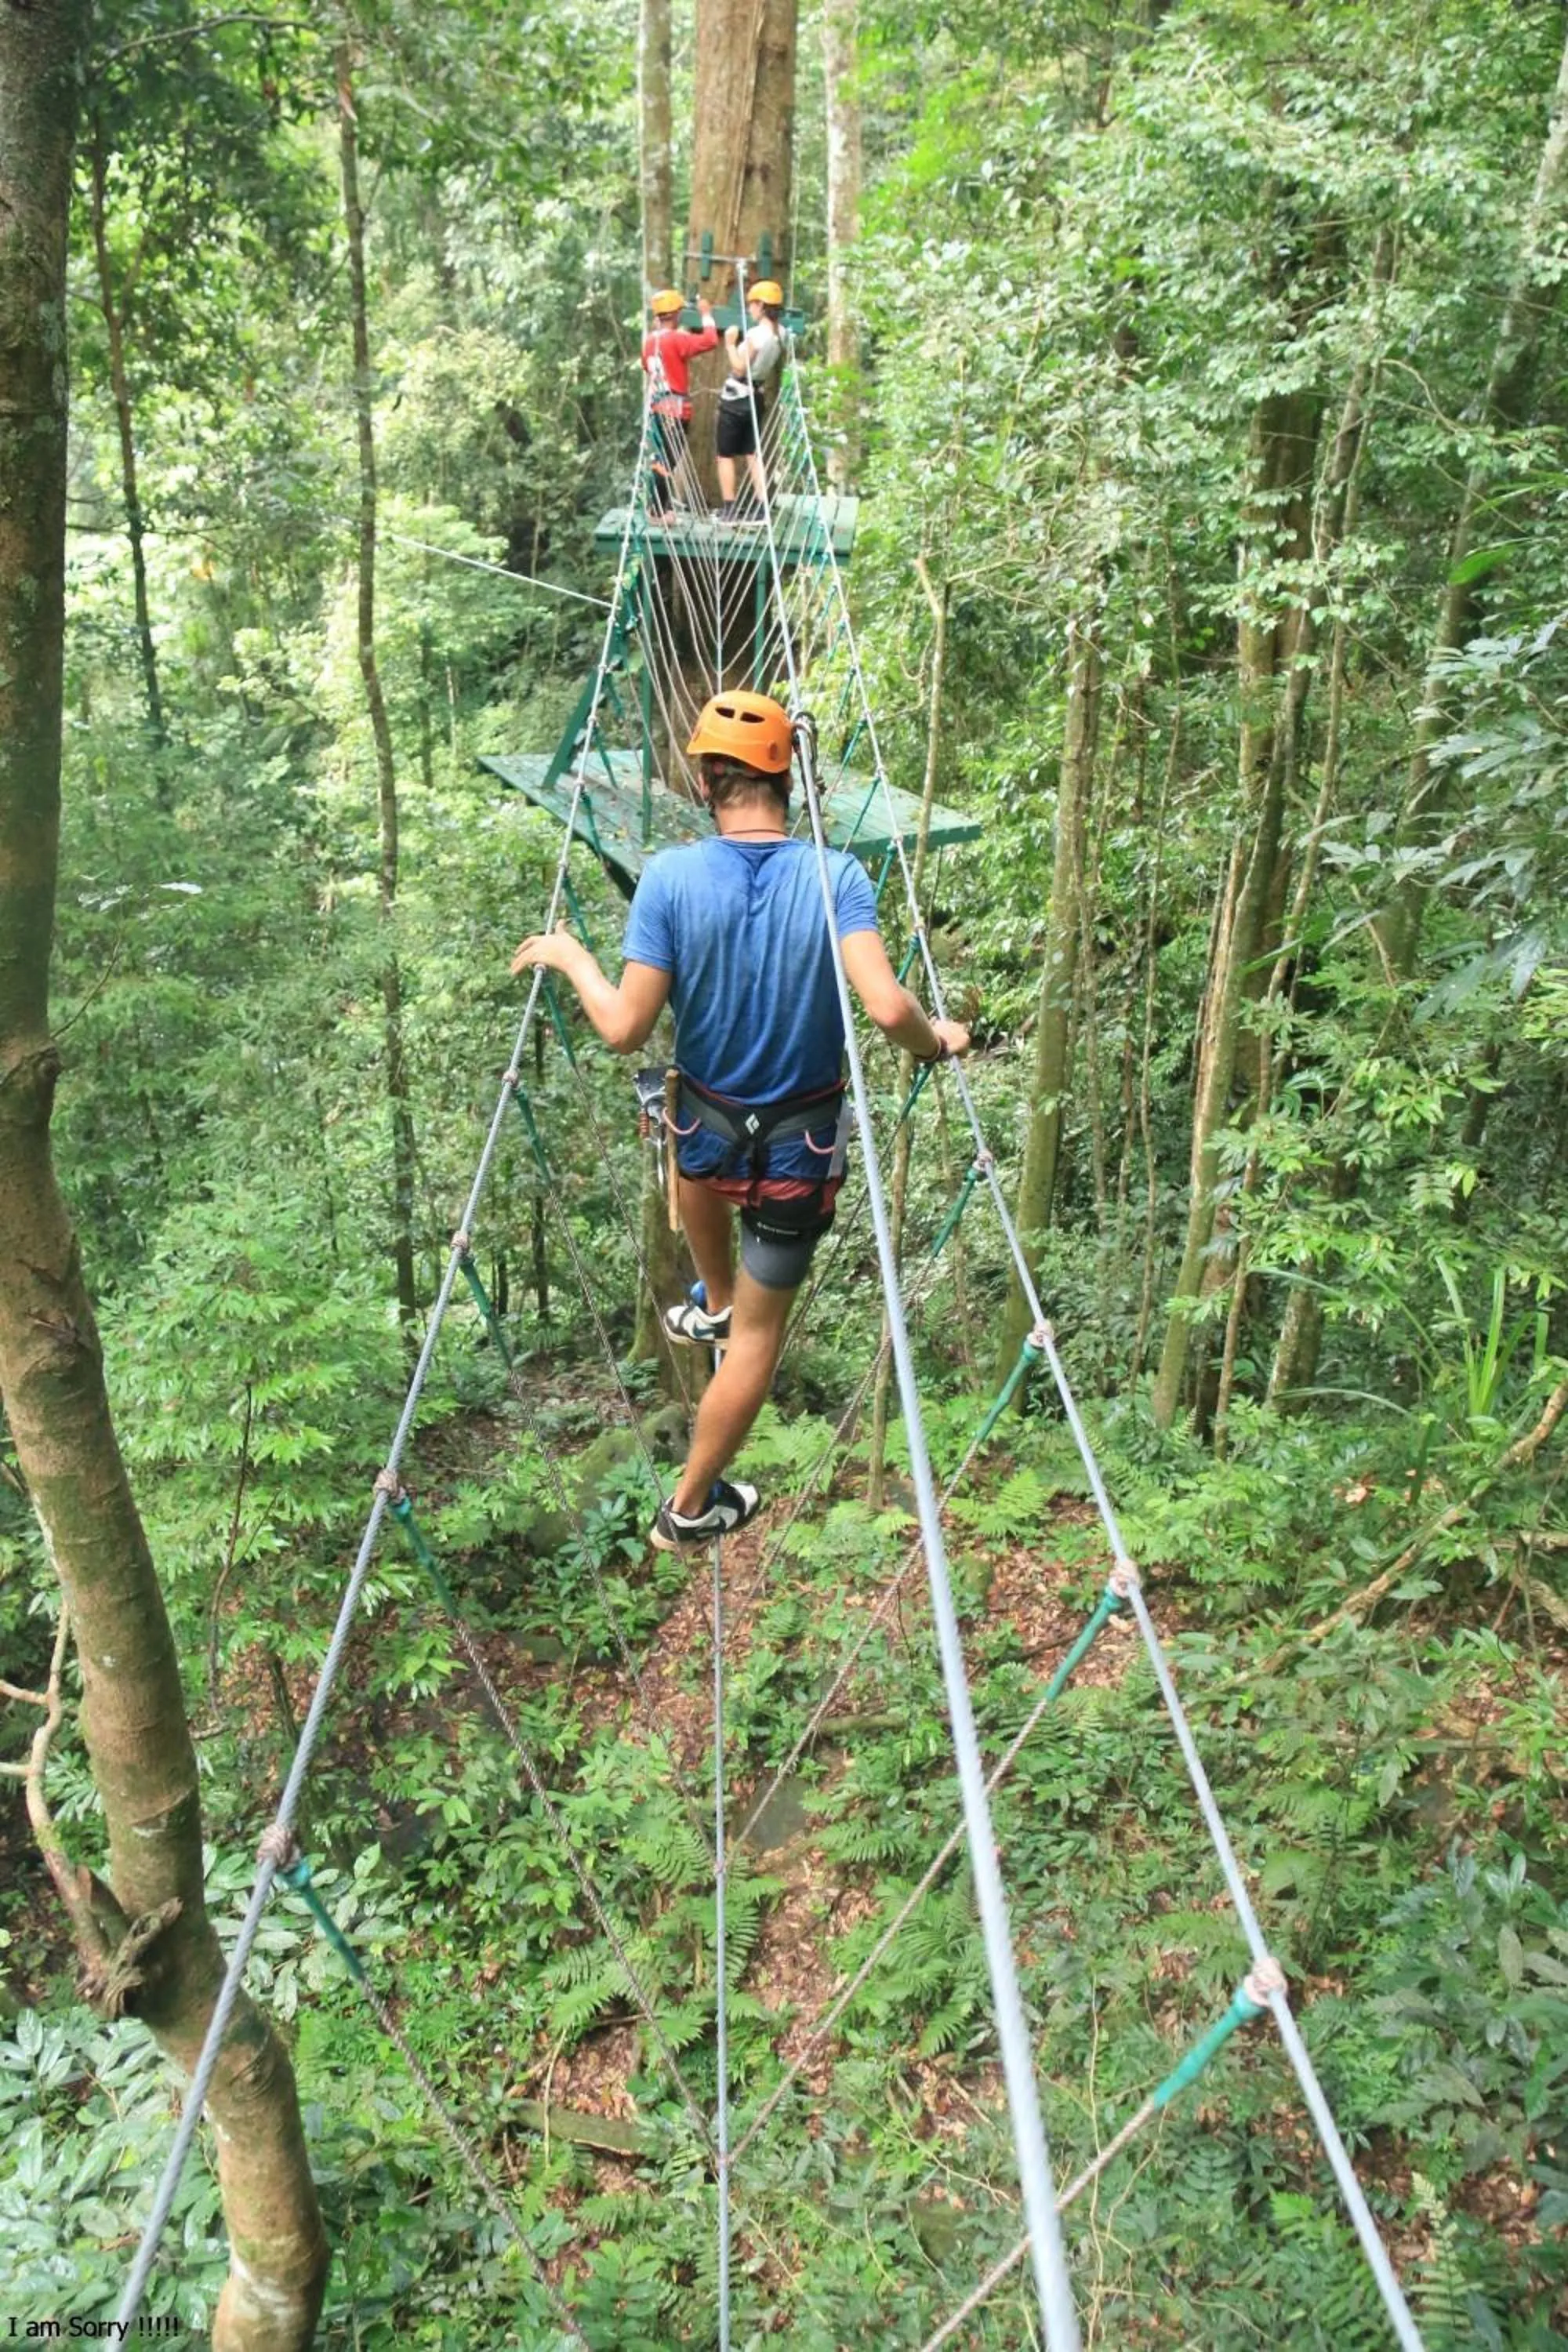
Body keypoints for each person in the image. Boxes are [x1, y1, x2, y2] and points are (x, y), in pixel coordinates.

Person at [511, 690, 971, 1552]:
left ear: (702, 779)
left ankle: (713, 1301)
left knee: (685, 1135)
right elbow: (882, 1005)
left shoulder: (669, 879)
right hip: (801, 1151)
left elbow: (624, 1031)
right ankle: (689, 1507)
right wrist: (935, 1042)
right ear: (786, 773)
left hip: (707, 1144)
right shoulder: (837, 878)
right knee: (758, 1333)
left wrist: (573, 955)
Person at [642, 288, 717, 516]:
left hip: (658, 406)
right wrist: (706, 314)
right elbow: (710, 340)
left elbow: (647, 367)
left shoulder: (649, 342)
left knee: (661, 457)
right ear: (675, 315)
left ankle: (657, 506)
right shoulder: (677, 339)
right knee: (668, 459)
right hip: (675, 410)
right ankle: (658, 510)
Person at [714, 279, 784, 524]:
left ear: (762, 306)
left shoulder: (757, 335)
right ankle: (762, 506)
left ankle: (730, 509)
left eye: (753, 304)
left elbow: (739, 367)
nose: (750, 309)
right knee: (752, 454)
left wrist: (730, 344)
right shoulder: (780, 334)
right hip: (756, 397)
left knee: (725, 455)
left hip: (736, 399)